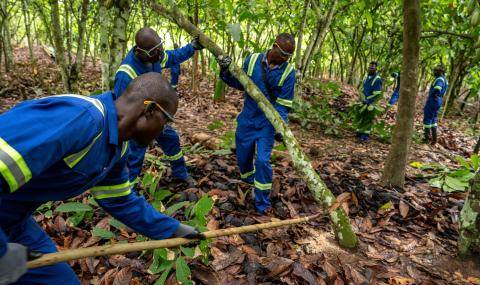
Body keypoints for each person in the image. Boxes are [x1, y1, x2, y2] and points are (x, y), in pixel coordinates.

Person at [0, 73, 203, 284]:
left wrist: (172, 230)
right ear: (150, 110)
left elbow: (119, 200)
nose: (164, 131)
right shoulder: (80, 120)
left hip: (15, 223)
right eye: (166, 122)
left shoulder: (117, 146)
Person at [216, 33, 296, 214]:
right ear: (274, 46)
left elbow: (283, 105)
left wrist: (280, 127)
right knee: (243, 158)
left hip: (267, 124)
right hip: (247, 119)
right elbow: (239, 83)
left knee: (262, 161)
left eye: (288, 56)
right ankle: (248, 179)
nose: (285, 59)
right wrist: (225, 70)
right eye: (283, 54)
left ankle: (262, 203)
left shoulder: (288, 73)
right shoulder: (252, 60)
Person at [114, 27, 204, 188]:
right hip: (137, 123)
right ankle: (128, 191)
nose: (161, 54)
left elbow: (173, 56)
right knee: (135, 156)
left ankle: (180, 173)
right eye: (157, 51)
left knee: (171, 139)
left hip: (156, 115)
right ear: (141, 52)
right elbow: (121, 110)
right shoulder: (126, 74)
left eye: (160, 49)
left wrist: (192, 47)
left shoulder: (155, 57)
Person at [355, 61, 383, 142]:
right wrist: (360, 98)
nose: (371, 69)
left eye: (373, 68)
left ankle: (365, 136)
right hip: (363, 101)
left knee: (368, 118)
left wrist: (369, 100)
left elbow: (377, 94)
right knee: (361, 117)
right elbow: (362, 89)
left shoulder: (377, 79)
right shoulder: (366, 77)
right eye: (370, 67)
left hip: (371, 103)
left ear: (376, 69)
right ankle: (359, 132)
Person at [423, 65, 448, 145]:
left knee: (427, 118)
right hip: (439, 101)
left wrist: (434, 94)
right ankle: (434, 139)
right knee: (433, 119)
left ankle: (426, 139)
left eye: (436, 71)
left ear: (441, 72)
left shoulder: (440, 79)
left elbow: (437, 88)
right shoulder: (445, 79)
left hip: (434, 100)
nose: (434, 72)